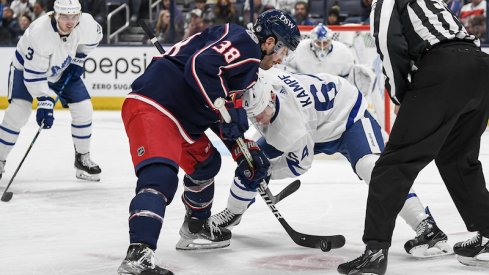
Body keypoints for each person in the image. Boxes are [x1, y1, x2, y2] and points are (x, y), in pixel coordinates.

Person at [117, 9, 301, 275]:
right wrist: (222, 107)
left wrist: (243, 149)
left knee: (206, 164)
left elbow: (221, 113)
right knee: (160, 178)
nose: (281, 59)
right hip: (155, 106)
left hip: (181, 117)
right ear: (269, 42)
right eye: (283, 50)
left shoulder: (246, 66)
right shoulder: (245, 45)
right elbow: (199, 66)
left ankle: (196, 226)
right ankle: (139, 254)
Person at [210, 67, 452, 258]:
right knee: (250, 163)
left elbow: (300, 164)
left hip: (348, 118)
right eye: (255, 115)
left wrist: (269, 171)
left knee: (374, 170)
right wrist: (257, 167)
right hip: (314, 121)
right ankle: (233, 212)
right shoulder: (263, 84)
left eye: (262, 112)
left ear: (272, 97)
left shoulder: (290, 126)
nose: (259, 120)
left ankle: (427, 227)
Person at [338, 0, 489, 274]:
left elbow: (389, 45)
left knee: (392, 166)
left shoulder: (384, 2)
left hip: (444, 67)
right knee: (458, 159)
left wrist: (400, 96)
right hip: (480, 67)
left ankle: (375, 252)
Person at [0, 0, 102, 182]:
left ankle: (82, 158)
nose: (70, 22)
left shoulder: (86, 23)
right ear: (55, 15)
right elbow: (34, 77)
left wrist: (79, 58)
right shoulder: (39, 33)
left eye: (74, 16)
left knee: (84, 109)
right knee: (18, 112)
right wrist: (44, 103)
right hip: (26, 71)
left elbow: (95, 38)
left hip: (61, 70)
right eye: (64, 16)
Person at [282, 23, 376, 99]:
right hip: (305, 93)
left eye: (325, 42)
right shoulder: (298, 49)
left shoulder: (343, 51)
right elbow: (288, 70)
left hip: (335, 95)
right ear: (312, 41)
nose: (322, 46)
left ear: (331, 40)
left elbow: (350, 77)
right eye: (318, 43)